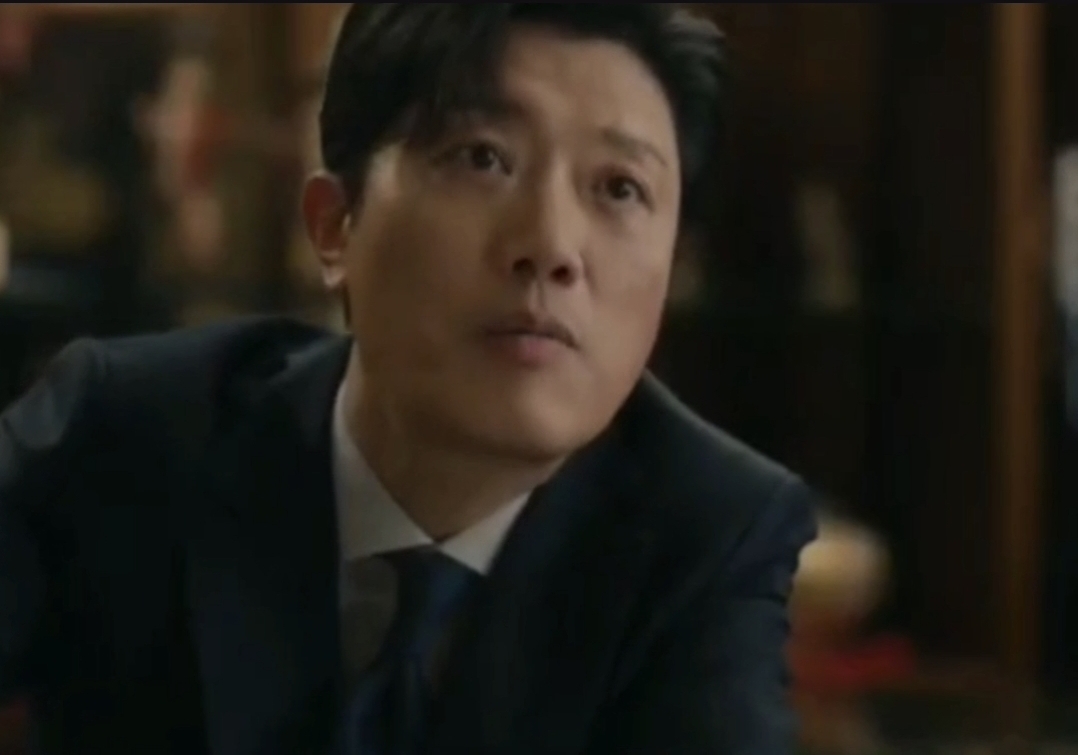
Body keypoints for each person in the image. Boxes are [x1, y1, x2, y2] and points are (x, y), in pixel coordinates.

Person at [0, 5, 817, 755]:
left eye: (619, 188)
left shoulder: (708, 531)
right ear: (334, 226)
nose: (552, 245)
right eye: (484, 158)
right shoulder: (126, 431)